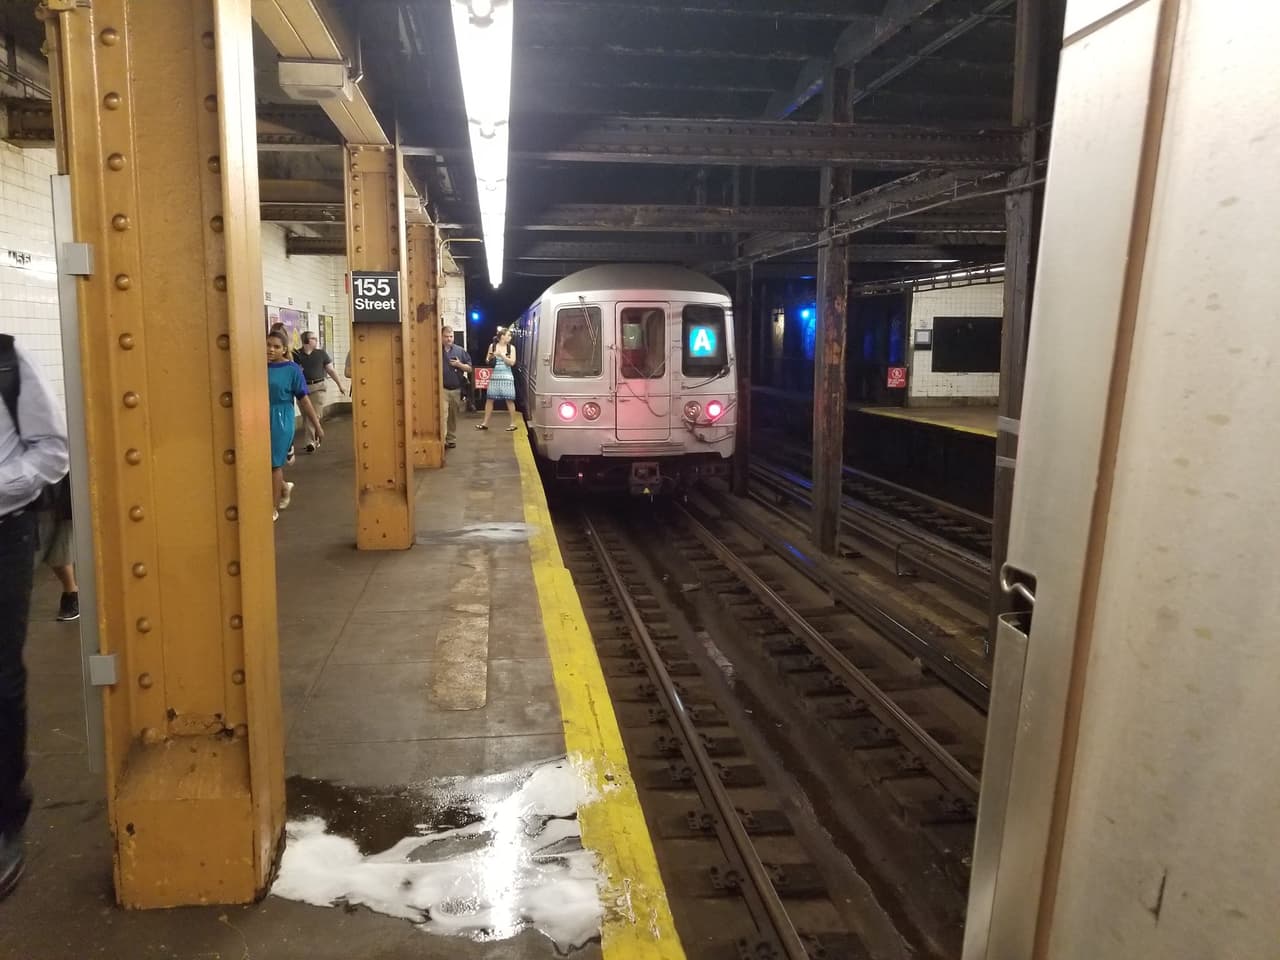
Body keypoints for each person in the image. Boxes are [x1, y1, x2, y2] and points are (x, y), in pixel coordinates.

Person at [0, 334, 70, 901]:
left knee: (0, 679)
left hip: (3, 530)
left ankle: (5, 819)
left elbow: (50, 449)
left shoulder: (6, 360)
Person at [267, 330, 322, 520]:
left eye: (276, 347)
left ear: (284, 349)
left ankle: (272, 508)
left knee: (274, 464)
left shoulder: (292, 369)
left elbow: (304, 400)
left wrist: (317, 426)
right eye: (268, 345)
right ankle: (284, 487)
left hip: (281, 418)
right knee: (263, 463)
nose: (271, 350)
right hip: (258, 416)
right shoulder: (258, 366)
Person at [34, 473, 78, 621]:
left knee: (60, 548)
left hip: (63, 491)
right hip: (38, 491)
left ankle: (71, 594)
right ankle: (71, 593)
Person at [292, 331, 345, 452]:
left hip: (319, 387)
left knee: (313, 415)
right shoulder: (296, 354)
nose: (316, 340)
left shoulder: (321, 354)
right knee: (307, 416)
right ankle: (316, 436)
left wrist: (340, 385)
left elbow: (331, 370)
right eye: (313, 338)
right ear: (306, 340)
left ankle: (310, 442)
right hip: (302, 388)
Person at [475, 327, 519, 432]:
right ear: (502, 336)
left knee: (509, 399)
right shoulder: (492, 346)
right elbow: (487, 360)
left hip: (507, 376)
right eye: (508, 335)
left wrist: (502, 356)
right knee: (490, 399)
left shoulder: (511, 348)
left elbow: (512, 363)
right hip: (495, 375)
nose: (510, 337)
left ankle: (513, 423)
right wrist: (491, 357)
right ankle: (485, 423)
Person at [441, 326, 472, 449]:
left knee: (453, 415)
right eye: (446, 336)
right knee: (443, 415)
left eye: (451, 336)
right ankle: (442, 440)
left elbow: (469, 368)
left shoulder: (460, 351)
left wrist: (459, 364)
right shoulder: (436, 350)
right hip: (442, 388)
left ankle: (451, 438)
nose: (449, 339)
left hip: (456, 388)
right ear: (441, 336)